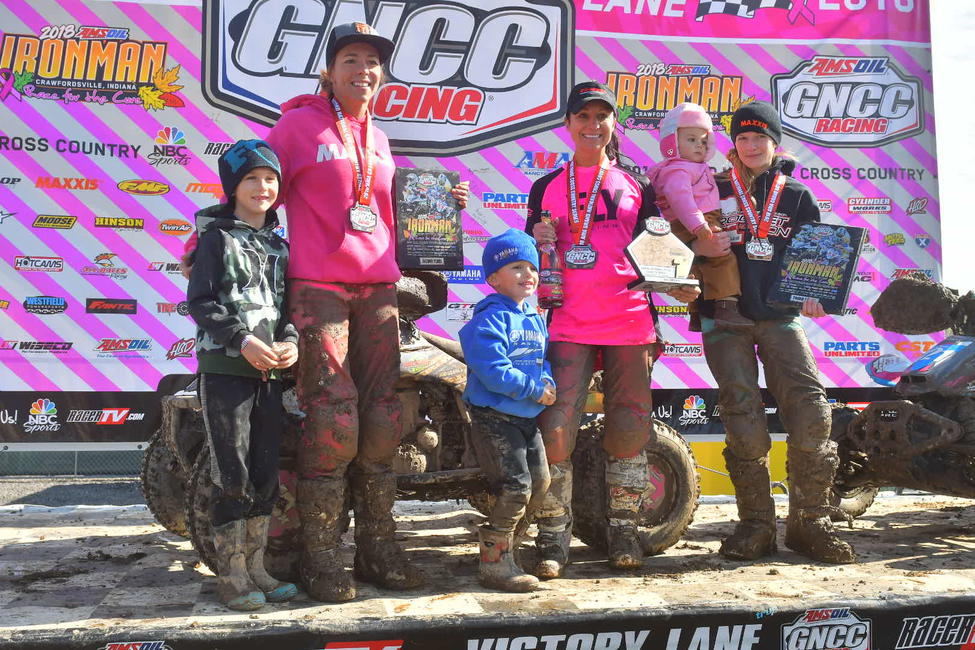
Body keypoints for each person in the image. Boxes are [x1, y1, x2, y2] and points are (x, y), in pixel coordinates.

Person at [264, 22, 468, 602]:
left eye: (373, 62)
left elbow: (385, 213)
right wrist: (216, 248)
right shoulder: (298, 125)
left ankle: (380, 549)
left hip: (379, 289)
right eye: (351, 59)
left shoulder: (377, 135)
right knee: (335, 421)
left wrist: (437, 206)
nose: (364, 70)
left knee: (383, 421)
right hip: (320, 290)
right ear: (329, 69)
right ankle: (320, 557)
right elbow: (256, 191)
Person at [525, 81, 700, 578]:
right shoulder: (546, 187)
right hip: (568, 324)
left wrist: (678, 286)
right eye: (583, 117)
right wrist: (532, 242)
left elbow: (656, 252)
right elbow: (529, 258)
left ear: (612, 125)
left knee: (629, 428)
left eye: (602, 117)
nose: (592, 125)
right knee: (555, 431)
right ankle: (552, 539)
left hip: (628, 320)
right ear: (568, 125)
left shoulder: (635, 186)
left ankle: (624, 531)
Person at [699, 101, 856, 564]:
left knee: (812, 411)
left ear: (776, 142)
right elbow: (684, 238)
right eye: (742, 138)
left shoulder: (797, 197)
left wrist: (816, 293)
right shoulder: (710, 187)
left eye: (759, 138)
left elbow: (817, 261)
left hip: (781, 315)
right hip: (723, 316)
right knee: (742, 416)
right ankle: (755, 526)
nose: (750, 146)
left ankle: (810, 524)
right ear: (733, 144)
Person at [186, 139, 299, 610]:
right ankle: (231, 577)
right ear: (233, 187)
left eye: (270, 178)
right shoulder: (215, 238)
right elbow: (201, 302)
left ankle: (257, 568)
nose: (262, 186)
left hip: (270, 376)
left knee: (265, 475)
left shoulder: (280, 244)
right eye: (251, 178)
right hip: (227, 369)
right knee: (230, 473)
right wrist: (242, 341)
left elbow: (289, 307)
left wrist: (290, 340)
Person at [458, 229, 556, 593]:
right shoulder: (489, 318)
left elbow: (541, 361)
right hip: (494, 417)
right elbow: (493, 370)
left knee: (541, 483)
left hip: (527, 417)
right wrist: (533, 389)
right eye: (516, 267)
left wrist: (547, 384)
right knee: (516, 487)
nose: (527, 274)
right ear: (494, 278)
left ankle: (510, 548)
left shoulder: (533, 316)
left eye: (532, 266)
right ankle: (494, 561)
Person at [648, 102, 752, 330]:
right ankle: (727, 307)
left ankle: (698, 313)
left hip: (699, 219)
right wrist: (698, 225)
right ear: (671, 143)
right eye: (691, 139)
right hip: (694, 221)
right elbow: (680, 199)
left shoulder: (694, 167)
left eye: (704, 141)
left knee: (698, 267)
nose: (699, 146)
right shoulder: (677, 169)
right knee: (722, 258)